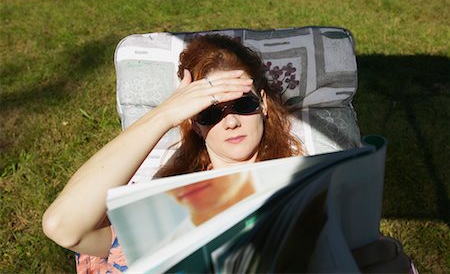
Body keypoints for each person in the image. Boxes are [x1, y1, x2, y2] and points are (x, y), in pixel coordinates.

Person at [43, 34, 414, 273]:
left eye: (242, 104)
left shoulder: (308, 188)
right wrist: (164, 114)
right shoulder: (165, 205)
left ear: (265, 104)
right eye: (209, 111)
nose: (231, 121)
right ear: (193, 123)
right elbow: (63, 226)